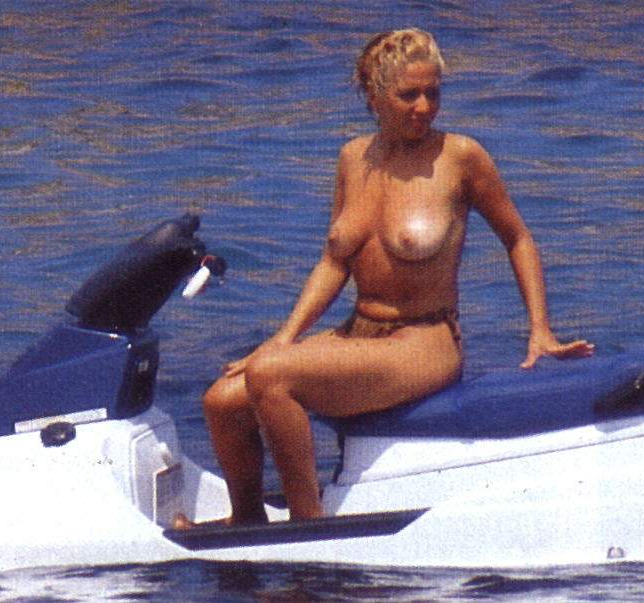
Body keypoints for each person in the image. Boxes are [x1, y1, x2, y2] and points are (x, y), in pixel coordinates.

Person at [175, 28, 594, 528]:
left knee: (272, 376)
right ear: (374, 96)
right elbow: (334, 262)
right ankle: (247, 523)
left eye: (433, 93)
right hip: (360, 332)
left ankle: (307, 528)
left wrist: (539, 328)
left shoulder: (460, 158)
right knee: (221, 400)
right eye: (408, 94)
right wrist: (283, 338)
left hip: (426, 342)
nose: (424, 107)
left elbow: (518, 238)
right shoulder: (353, 159)